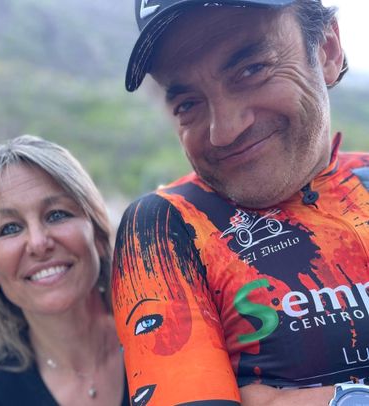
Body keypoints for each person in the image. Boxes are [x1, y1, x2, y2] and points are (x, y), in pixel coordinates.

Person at [112, 1, 369, 405]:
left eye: (251, 70)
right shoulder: (167, 226)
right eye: (188, 104)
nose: (225, 130)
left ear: (327, 49)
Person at [0, 135, 129, 405]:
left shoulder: (161, 336)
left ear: (97, 233)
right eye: (10, 228)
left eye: (57, 214)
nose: (38, 243)